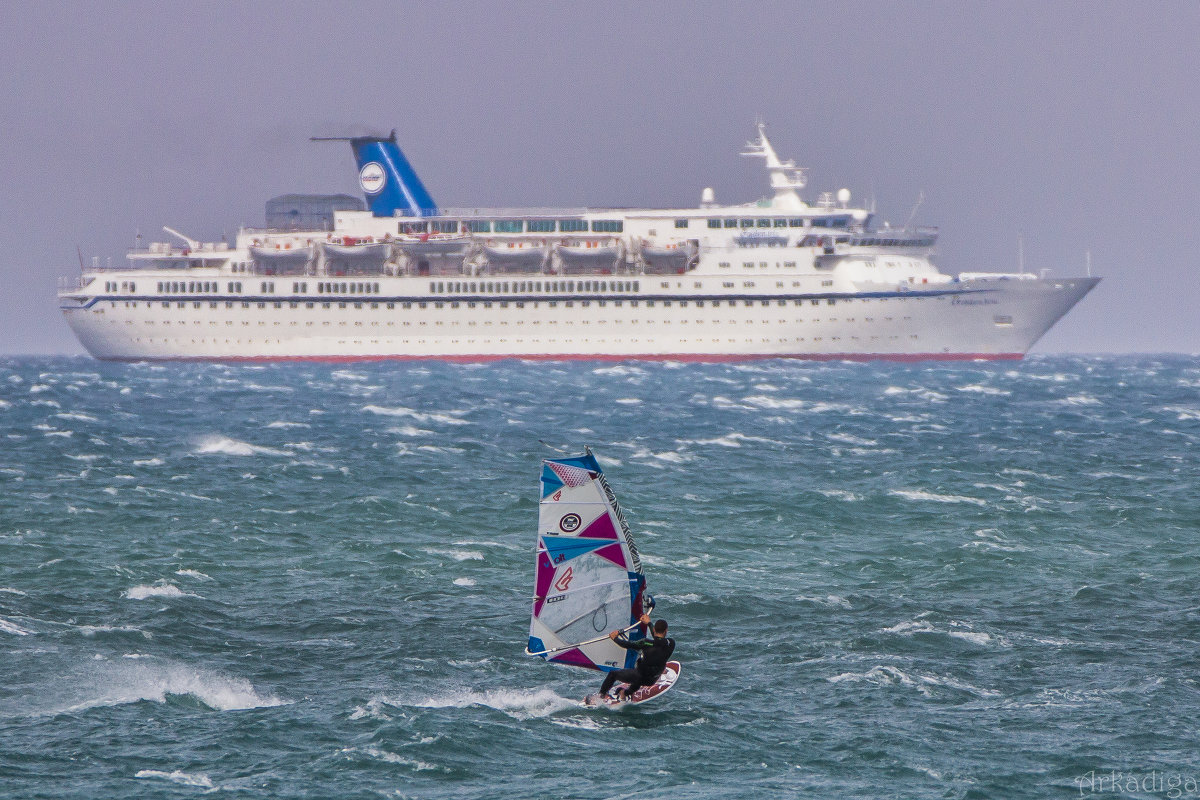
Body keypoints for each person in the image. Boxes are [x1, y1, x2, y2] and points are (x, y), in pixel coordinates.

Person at [597, 613, 675, 702]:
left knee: (613, 674)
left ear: (654, 629)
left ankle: (601, 696)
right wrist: (649, 623)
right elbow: (659, 641)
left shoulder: (646, 643)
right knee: (640, 672)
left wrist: (614, 638)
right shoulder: (671, 643)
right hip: (653, 679)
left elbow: (628, 644)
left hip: (639, 677)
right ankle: (625, 693)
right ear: (666, 631)